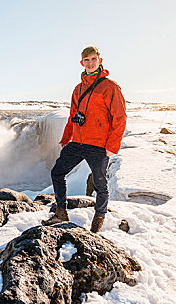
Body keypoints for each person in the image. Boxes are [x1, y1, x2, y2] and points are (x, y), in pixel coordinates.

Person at [43, 46, 126, 233]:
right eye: (86, 60)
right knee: (57, 172)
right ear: (82, 63)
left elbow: (120, 118)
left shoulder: (110, 87)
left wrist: (112, 146)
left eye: (93, 59)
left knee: (100, 184)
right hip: (77, 143)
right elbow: (73, 116)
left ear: (100, 60)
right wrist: (66, 138)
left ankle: (98, 219)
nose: (90, 63)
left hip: (98, 145)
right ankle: (61, 211)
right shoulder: (78, 89)